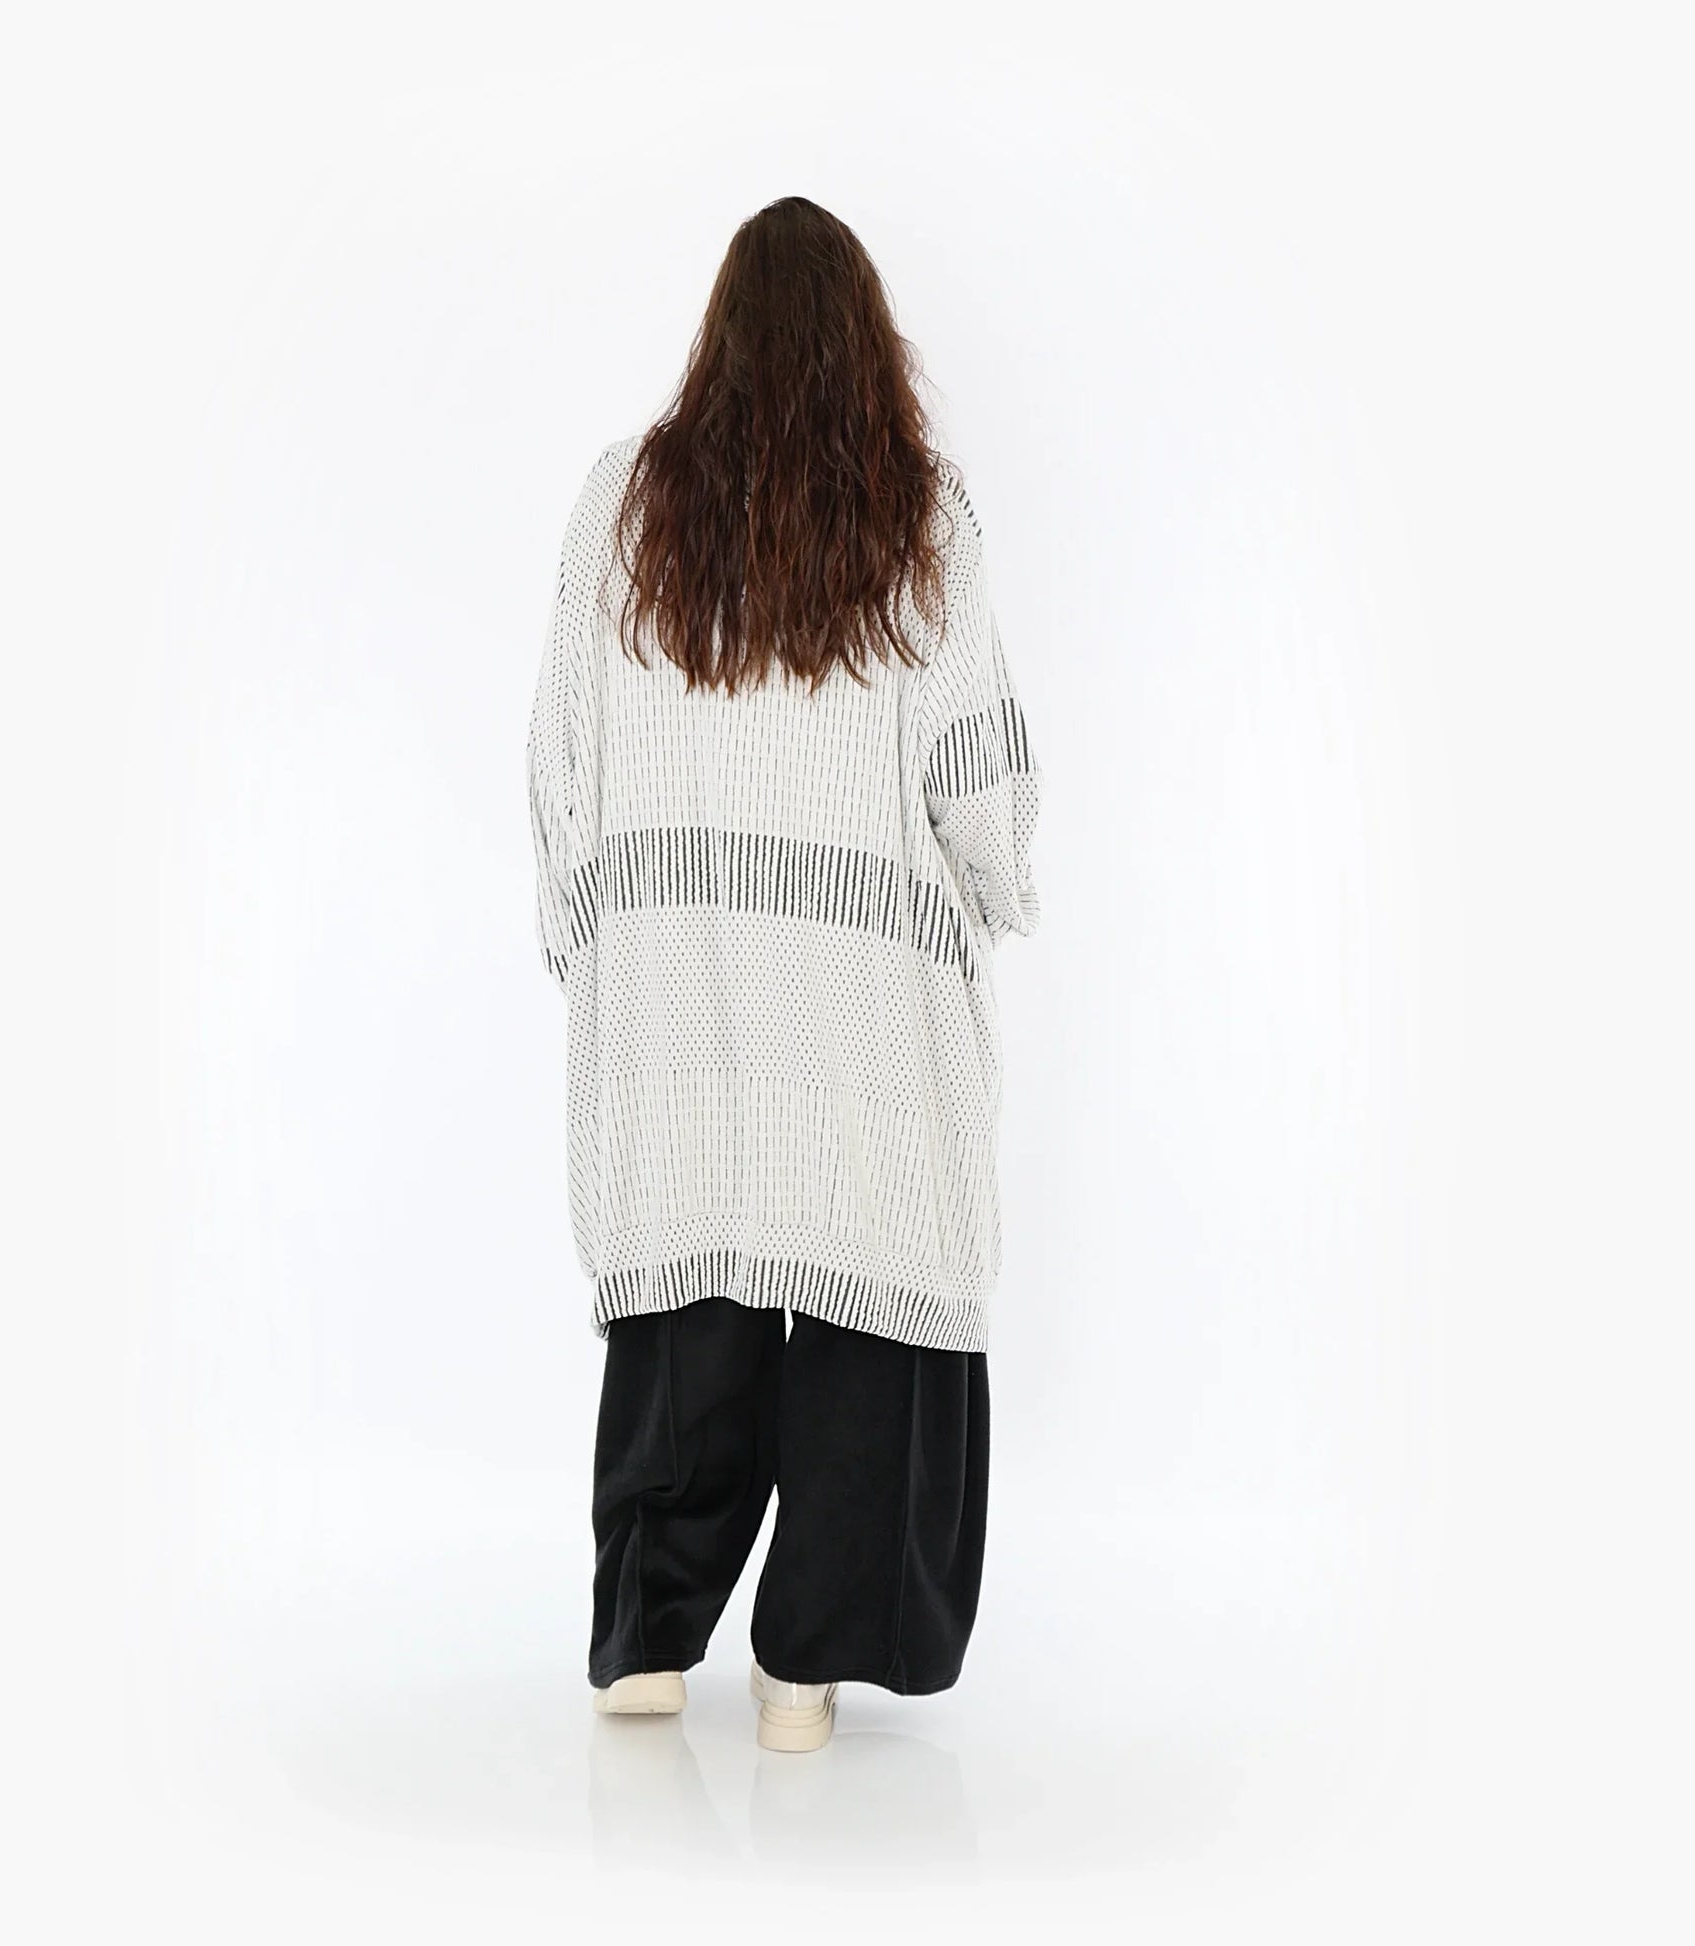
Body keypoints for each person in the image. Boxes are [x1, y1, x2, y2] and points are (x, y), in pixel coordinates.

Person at [526, 196, 1040, 1753]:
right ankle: (805, 1669)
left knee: (690, 1295)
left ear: (720, 335)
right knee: (867, 1282)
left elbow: (563, 754)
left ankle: (642, 1640)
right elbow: (975, 778)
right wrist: (995, 885)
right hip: (861, 1000)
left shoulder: (625, 502)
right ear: (867, 344)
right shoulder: (919, 517)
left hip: (678, 986)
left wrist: (586, 917)